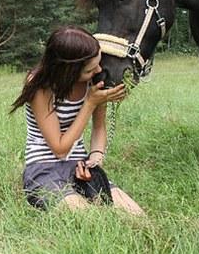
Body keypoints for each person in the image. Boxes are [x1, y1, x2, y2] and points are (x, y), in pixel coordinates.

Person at [10, 26, 144, 215]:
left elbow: (99, 128)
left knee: (136, 215)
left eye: (98, 63)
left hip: (80, 165)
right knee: (88, 218)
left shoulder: (94, 81)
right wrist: (89, 103)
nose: (98, 70)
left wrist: (94, 161)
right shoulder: (40, 85)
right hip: (43, 168)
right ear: (68, 70)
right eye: (90, 69)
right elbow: (59, 148)